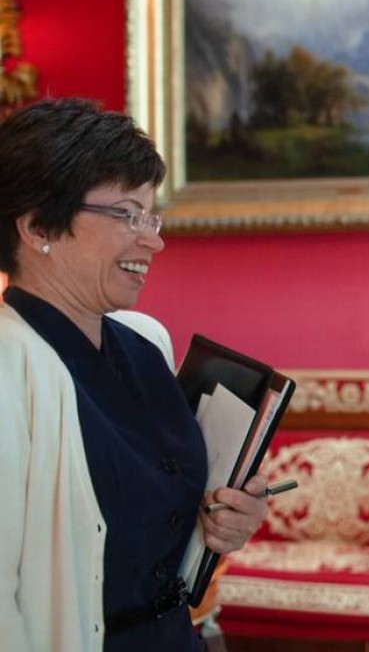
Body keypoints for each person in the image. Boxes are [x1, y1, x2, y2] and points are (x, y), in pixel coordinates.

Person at [0, 98, 270, 652]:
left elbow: (156, 517)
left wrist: (224, 521)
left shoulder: (145, 340)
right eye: (126, 215)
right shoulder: (10, 363)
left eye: (151, 216)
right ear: (36, 226)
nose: (154, 240)